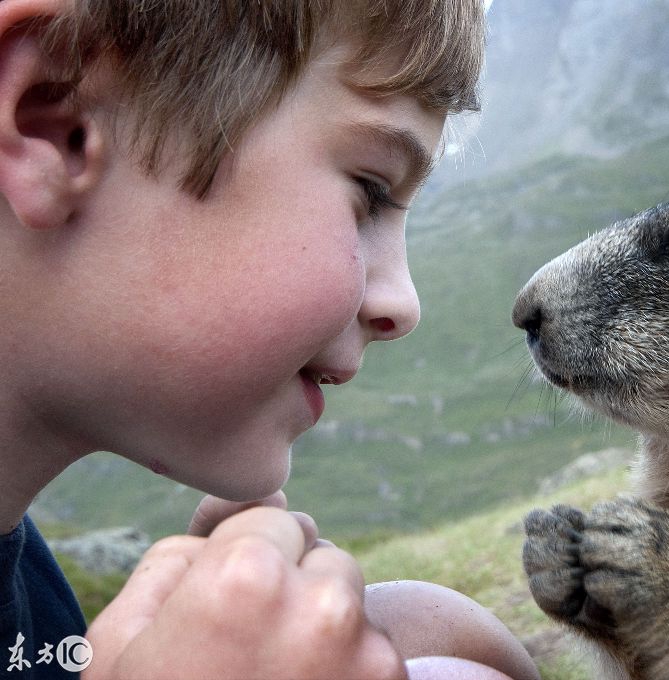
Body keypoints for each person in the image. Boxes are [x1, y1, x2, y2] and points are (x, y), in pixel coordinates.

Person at [0, 0, 539, 678]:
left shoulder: (33, 597)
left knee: (444, 632)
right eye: (370, 191)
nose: (404, 304)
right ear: (55, 123)